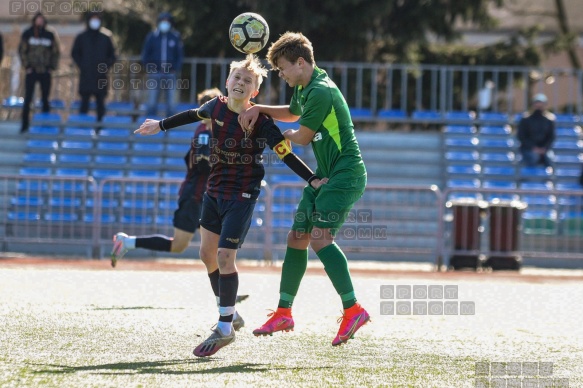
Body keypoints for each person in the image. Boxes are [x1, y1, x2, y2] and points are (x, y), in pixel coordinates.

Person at [133, 54, 325, 358]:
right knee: (205, 253)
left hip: (242, 196)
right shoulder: (216, 107)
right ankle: (230, 313)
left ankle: (224, 326)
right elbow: (192, 114)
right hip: (214, 191)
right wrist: (161, 125)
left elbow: (285, 153)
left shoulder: (262, 122)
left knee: (224, 255)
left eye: (247, 81)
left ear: (255, 92)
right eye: (236, 77)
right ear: (227, 83)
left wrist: (312, 179)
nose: (240, 82)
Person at [238, 32, 370, 347]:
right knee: (297, 238)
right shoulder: (305, 87)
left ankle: (353, 309)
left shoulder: (321, 91)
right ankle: (284, 312)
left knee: (320, 238)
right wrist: (261, 109)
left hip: (345, 173)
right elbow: (293, 112)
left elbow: (304, 134)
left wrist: (277, 133)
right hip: (325, 175)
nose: (281, 76)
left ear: (300, 62)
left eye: (283, 69)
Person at [110, 87, 249, 329]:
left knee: (211, 251)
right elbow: (203, 165)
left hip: (208, 197)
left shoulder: (212, 131)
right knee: (185, 247)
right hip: (197, 197)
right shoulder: (204, 133)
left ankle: (227, 303)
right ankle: (127, 241)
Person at [18, 12, 60, 133]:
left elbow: (56, 52)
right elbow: (22, 51)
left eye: (42, 19)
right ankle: (25, 125)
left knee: (45, 99)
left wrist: (52, 67)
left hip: (45, 71)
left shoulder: (50, 34)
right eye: (38, 19)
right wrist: (27, 66)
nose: (40, 21)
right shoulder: (28, 33)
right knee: (28, 98)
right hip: (32, 71)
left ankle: (44, 125)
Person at [71, 11, 116, 123]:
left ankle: (100, 127)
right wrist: (82, 65)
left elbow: (113, 55)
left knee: (100, 104)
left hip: (101, 77)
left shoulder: (106, 37)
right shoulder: (82, 37)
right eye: (93, 19)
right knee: (84, 103)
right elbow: (75, 53)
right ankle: (82, 127)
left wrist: (105, 67)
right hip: (86, 76)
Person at [141, 12, 184, 117]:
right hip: (155, 73)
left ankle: (170, 127)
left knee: (171, 103)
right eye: (162, 21)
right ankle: (149, 124)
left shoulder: (175, 37)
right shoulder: (152, 37)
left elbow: (180, 55)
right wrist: (150, 68)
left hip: (170, 73)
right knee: (151, 101)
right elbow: (145, 55)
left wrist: (175, 68)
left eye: (167, 21)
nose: (165, 23)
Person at [517, 93, 556, 168]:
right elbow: (521, 137)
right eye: (537, 103)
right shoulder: (525, 119)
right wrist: (533, 148)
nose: (539, 106)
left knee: (550, 159)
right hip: (527, 149)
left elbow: (551, 137)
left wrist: (544, 148)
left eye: (541, 104)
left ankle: (547, 179)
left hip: (544, 150)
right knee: (533, 157)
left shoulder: (549, 120)